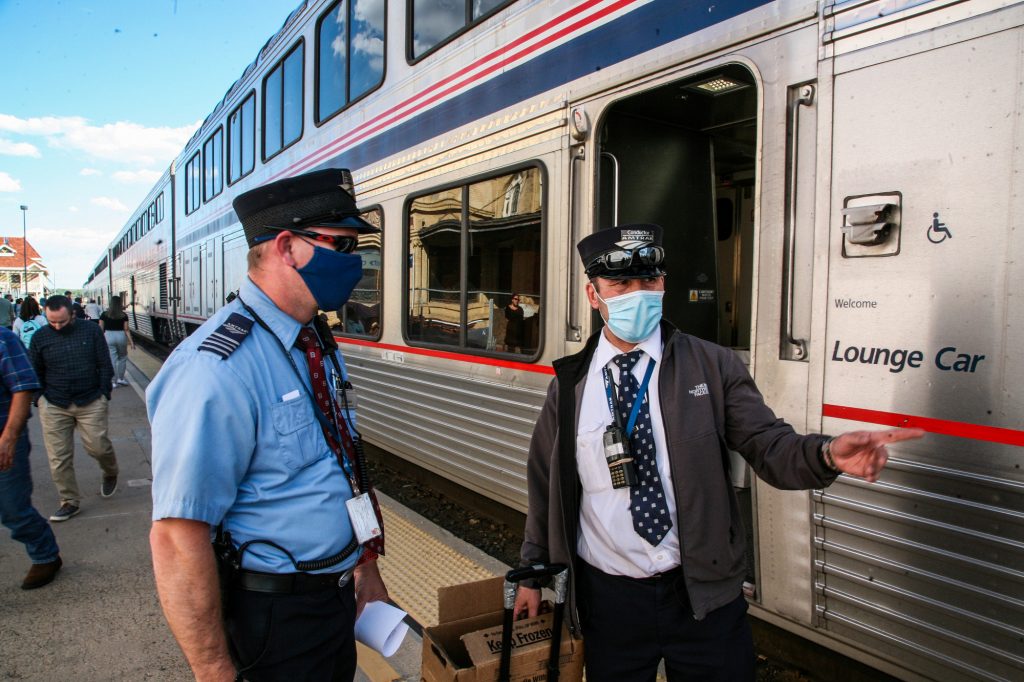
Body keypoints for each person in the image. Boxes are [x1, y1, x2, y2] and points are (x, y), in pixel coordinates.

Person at [513, 224, 925, 681]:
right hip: (608, 600)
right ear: (594, 295)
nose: (638, 293)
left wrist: (827, 454)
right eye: (621, 284)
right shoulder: (570, 385)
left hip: (703, 597)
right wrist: (532, 573)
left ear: (664, 284)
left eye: (649, 280)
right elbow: (545, 481)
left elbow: (769, 444)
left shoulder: (713, 364)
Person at [148, 168, 389, 681]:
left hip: (334, 599)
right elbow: (176, 536)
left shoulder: (314, 341)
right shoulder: (215, 369)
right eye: (341, 247)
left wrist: (366, 570)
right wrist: (214, 670)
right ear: (286, 246)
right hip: (276, 618)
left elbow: (343, 462)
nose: (354, 263)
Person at [28, 295, 118, 522]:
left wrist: (104, 392)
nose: (57, 326)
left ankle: (110, 471)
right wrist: (39, 398)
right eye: (52, 322)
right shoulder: (40, 337)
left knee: (98, 447)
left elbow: (104, 363)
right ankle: (69, 501)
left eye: (62, 321)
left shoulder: (91, 331)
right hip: (54, 403)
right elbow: (34, 369)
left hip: (91, 400)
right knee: (59, 457)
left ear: (73, 315)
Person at [0, 325, 62, 589]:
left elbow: (23, 387)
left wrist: (9, 438)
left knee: (13, 509)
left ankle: (45, 554)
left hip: (4, 439)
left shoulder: (4, 339)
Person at [99, 296, 134, 388]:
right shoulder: (124, 315)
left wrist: (100, 340)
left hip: (108, 336)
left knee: (112, 359)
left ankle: (113, 382)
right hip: (121, 336)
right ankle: (121, 379)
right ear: (120, 303)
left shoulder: (104, 314)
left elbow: (100, 329)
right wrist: (131, 342)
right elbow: (126, 329)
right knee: (122, 357)